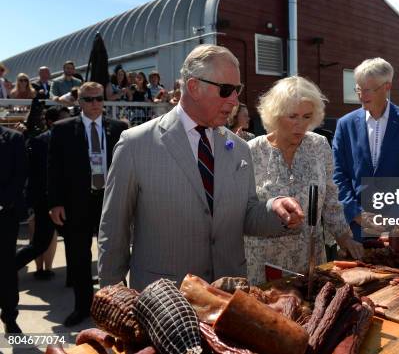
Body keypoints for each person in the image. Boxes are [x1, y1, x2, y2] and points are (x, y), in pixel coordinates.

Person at [98, 45, 305, 291]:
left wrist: (275, 209)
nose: (235, 100)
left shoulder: (239, 148)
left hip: (228, 299)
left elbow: (246, 214)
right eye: (226, 90)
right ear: (194, 87)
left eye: (237, 90)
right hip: (164, 302)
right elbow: (113, 232)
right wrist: (112, 296)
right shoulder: (135, 145)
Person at [245, 76, 363, 285]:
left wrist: (344, 237)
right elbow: (244, 210)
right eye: (293, 116)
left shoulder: (319, 145)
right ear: (276, 114)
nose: (300, 125)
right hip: (264, 264)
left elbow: (331, 199)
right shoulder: (250, 151)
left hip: (311, 261)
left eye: (307, 117)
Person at [48, 82, 128, 326]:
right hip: (77, 202)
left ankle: (118, 307)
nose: (95, 104)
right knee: (79, 257)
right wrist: (56, 202)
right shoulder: (62, 130)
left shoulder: (118, 128)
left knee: (114, 255)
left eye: (99, 99)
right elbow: (54, 169)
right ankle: (82, 307)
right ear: (79, 102)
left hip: (109, 201)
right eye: (89, 99)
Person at [333, 57, 399, 241]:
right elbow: (337, 174)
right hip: (356, 228)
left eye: (368, 89)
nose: (361, 95)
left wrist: (396, 216)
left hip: (397, 227)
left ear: (387, 87)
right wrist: (356, 212)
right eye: (358, 88)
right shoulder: (345, 124)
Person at [16, 106, 70, 279]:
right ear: (50, 122)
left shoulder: (74, 139)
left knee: (75, 242)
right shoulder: (39, 142)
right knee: (40, 244)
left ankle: (74, 278)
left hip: (70, 199)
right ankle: (8, 268)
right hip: (46, 201)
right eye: (64, 119)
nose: (69, 122)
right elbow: (34, 175)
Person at [0, 125, 27, 334]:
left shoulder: (13, 139)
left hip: (5, 215)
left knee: (6, 268)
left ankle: (10, 316)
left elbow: (20, 176)